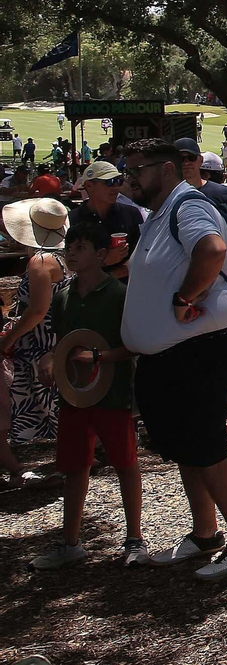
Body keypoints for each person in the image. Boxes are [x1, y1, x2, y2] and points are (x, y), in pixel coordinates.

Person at [118, 138, 227, 579]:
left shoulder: (188, 204)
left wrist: (186, 296)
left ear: (165, 170)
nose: (129, 180)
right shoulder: (161, 213)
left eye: (136, 171)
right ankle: (205, 534)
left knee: (206, 445)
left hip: (200, 347)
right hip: (173, 353)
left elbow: (213, 249)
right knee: (187, 446)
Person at [29, 222, 149, 569]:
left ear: (100, 255)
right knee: (75, 466)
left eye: (81, 247)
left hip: (112, 394)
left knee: (125, 463)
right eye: (70, 247)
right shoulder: (63, 296)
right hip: (73, 396)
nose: (72, 253)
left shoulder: (119, 295)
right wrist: (50, 360)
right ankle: (70, 542)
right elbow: (60, 343)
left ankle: (134, 538)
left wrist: (100, 357)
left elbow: (134, 345)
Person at [0, 195, 69, 488]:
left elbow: (38, 310)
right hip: (54, 337)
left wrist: (10, 338)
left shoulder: (40, 261)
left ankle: (74, 461)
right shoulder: (62, 257)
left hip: (40, 342)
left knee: (45, 401)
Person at [67, 159, 144, 279]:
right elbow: (70, 265)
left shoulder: (131, 214)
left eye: (118, 181)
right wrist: (105, 262)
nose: (115, 187)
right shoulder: (73, 219)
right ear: (89, 185)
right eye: (109, 182)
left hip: (127, 291)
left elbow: (143, 254)